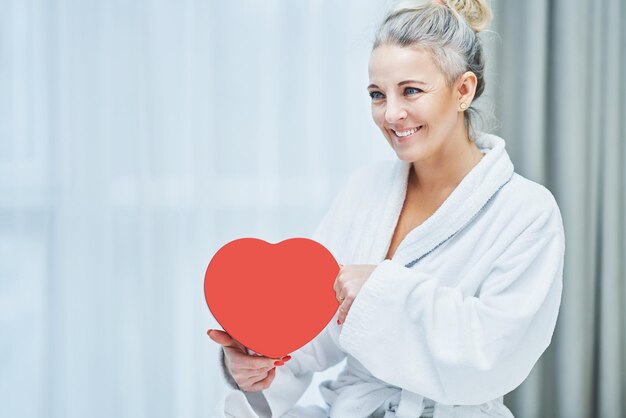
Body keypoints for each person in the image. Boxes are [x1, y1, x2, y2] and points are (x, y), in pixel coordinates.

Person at [209, 0, 565, 416]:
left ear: (463, 90)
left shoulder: (526, 212)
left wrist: (383, 292)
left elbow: (497, 355)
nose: (391, 114)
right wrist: (259, 360)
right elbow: (308, 329)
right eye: (378, 95)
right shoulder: (365, 191)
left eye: (411, 90)